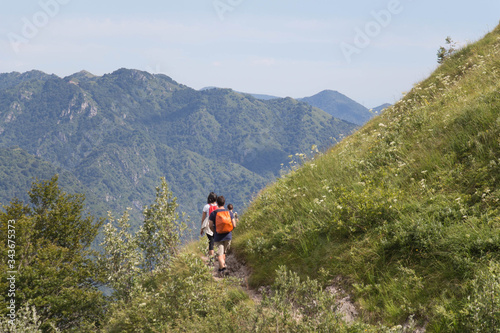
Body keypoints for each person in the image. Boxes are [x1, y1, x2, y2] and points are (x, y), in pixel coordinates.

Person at [209, 195, 236, 277]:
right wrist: (229, 231)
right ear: (224, 203)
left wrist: (215, 231)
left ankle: (223, 268)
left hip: (218, 236)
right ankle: (221, 269)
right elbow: (234, 225)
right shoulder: (229, 213)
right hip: (228, 236)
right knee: (223, 252)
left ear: (217, 203)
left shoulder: (214, 213)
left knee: (219, 255)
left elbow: (210, 225)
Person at [200, 192, 218, 265]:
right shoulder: (218, 206)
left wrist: (201, 228)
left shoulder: (206, 206)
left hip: (208, 225)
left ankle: (211, 260)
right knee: (217, 241)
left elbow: (203, 218)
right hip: (217, 225)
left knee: (211, 242)